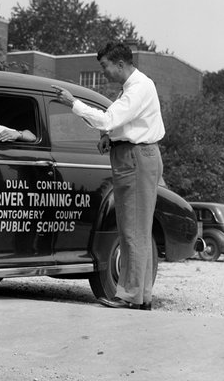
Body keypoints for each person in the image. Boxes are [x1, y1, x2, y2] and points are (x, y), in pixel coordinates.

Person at [53, 42, 165, 310]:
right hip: (134, 155)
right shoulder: (134, 87)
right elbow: (122, 123)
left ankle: (129, 295)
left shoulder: (137, 88)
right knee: (137, 229)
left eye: (104, 66)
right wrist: (110, 138)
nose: (103, 72)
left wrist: (73, 103)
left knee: (132, 231)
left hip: (135, 158)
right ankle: (141, 294)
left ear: (120, 64)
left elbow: (108, 119)